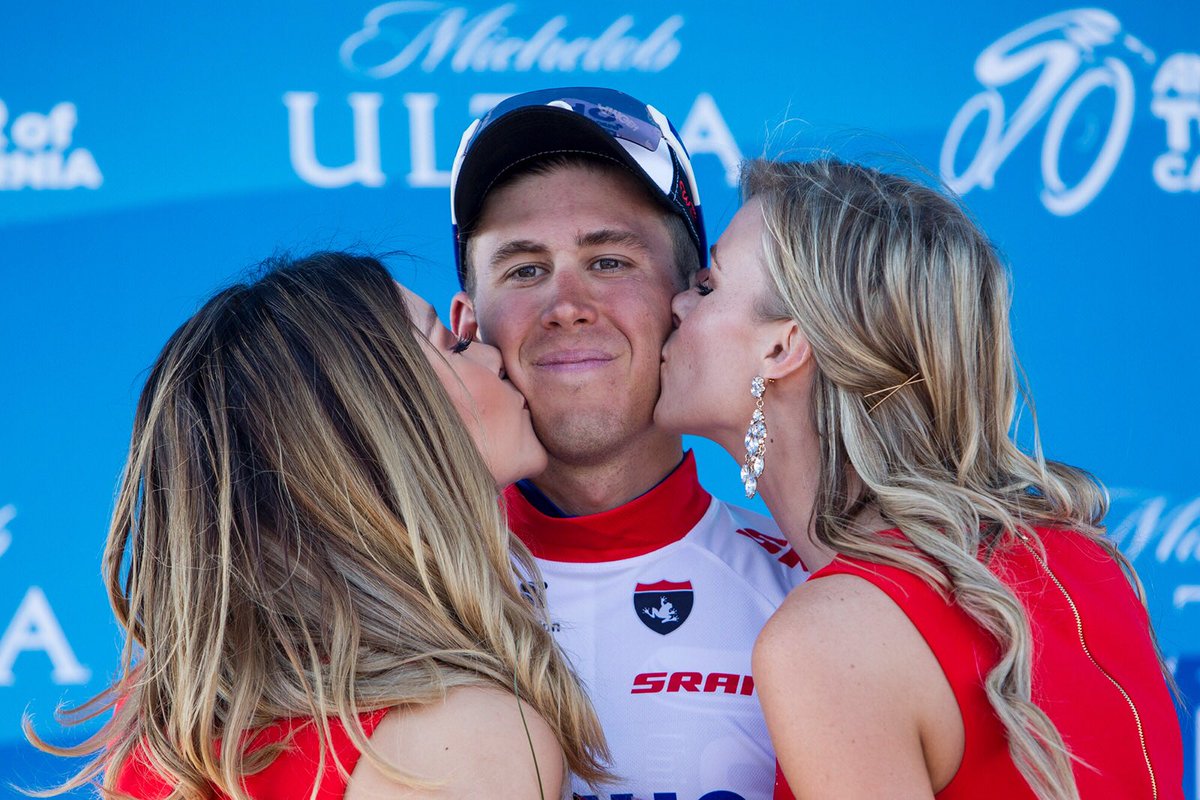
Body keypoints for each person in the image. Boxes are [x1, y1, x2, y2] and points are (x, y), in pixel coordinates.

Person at [655, 158, 1185, 799]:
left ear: (783, 348)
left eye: (708, 285)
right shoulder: (1079, 556)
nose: (676, 303)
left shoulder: (831, 636)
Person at [26, 252, 608, 799]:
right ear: (369, 433)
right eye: (452, 346)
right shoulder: (462, 736)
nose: (490, 353)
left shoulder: (176, 730)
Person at [447, 88, 804, 800]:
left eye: (609, 261)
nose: (566, 306)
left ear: (691, 300)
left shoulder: (814, 589)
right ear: (466, 324)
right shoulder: (380, 602)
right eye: (523, 270)